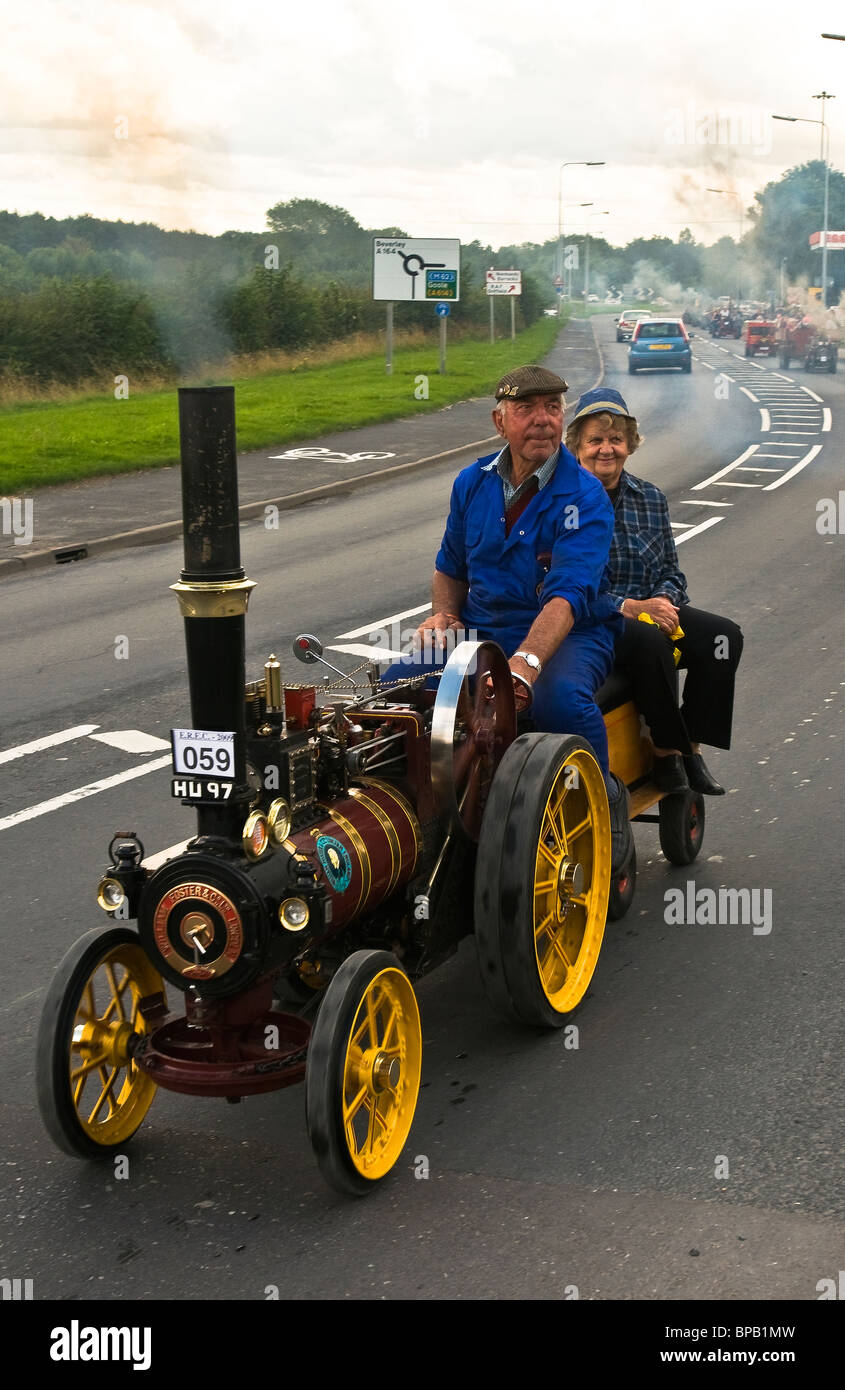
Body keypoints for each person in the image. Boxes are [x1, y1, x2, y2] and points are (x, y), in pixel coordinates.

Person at [381, 364, 633, 872]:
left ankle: (605, 811)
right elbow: (449, 565)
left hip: (569, 634)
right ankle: (406, 824)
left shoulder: (584, 497)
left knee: (558, 701)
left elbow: (567, 596)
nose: (542, 420)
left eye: (552, 408)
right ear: (501, 422)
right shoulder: (471, 483)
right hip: (480, 631)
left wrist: (524, 666)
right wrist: (445, 613)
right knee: (397, 691)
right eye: (526, 409)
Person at [566, 387, 744, 795]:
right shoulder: (563, 502)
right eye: (595, 440)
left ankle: (691, 748)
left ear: (629, 444)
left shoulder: (650, 498)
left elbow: (670, 570)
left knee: (723, 638)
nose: (606, 449)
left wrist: (663, 600)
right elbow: (562, 584)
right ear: (577, 444)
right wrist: (630, 606)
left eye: (616, 439)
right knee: (650, 640)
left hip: (653, 612)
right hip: (597, 620)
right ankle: (666, 754)